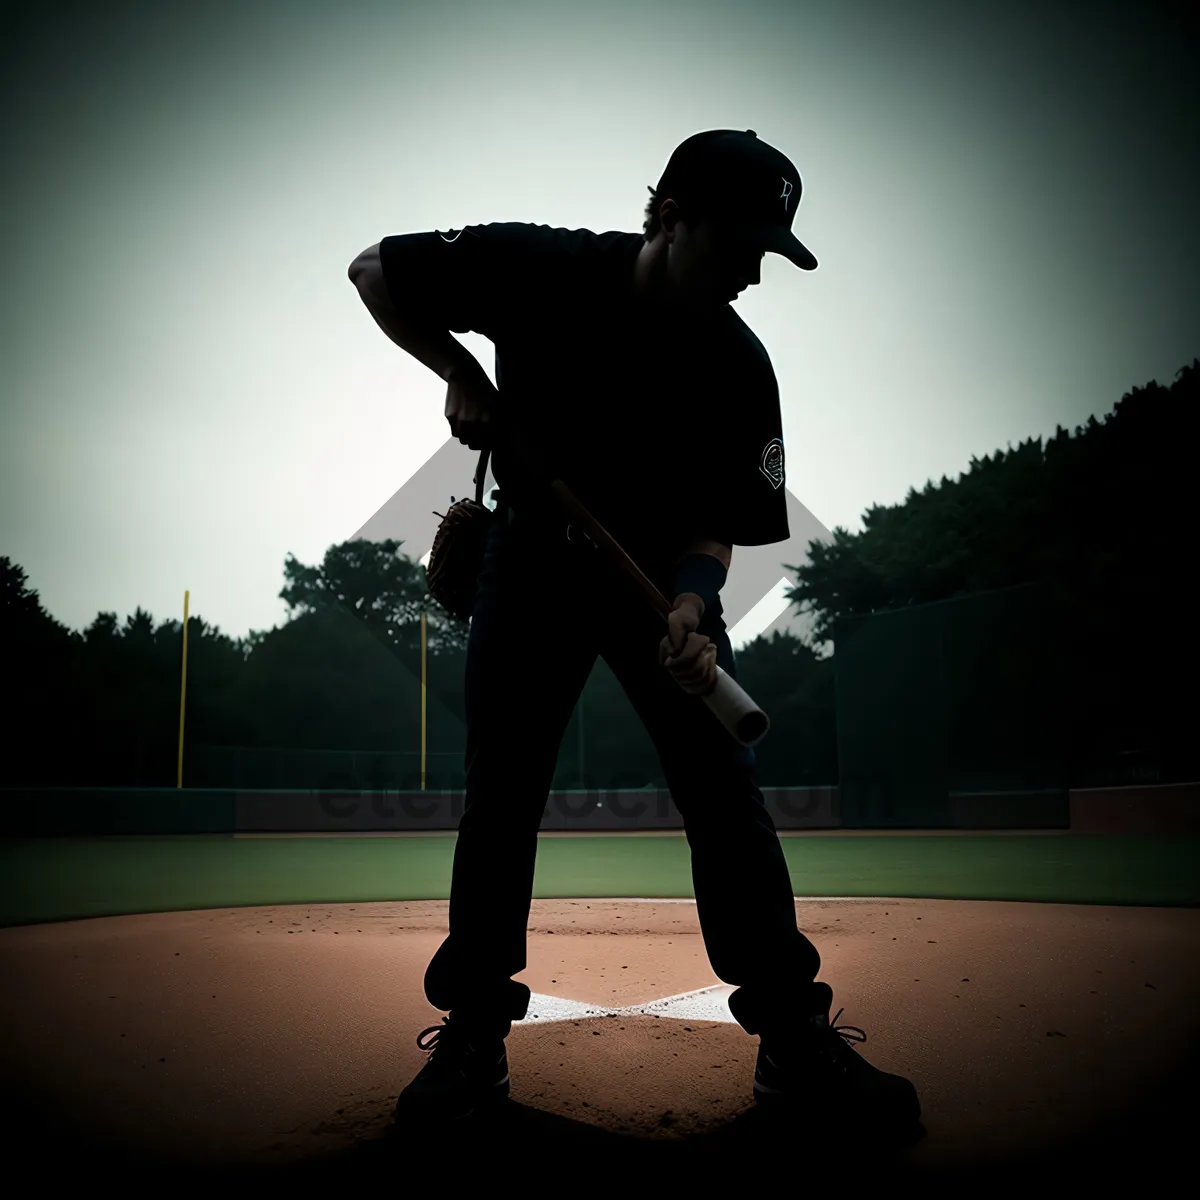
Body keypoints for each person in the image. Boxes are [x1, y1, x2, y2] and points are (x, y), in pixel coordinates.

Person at [348, 130, 920, 1133]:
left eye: (769, 252)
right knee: (504, 791)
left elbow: (718, 527)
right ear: (677, 215)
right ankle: (473, 1040)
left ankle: (792, 1036)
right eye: (744, 243)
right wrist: (460, 374)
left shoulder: (739, 365)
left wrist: (696, 605)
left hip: (659, 585)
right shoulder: (542, 267)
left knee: (724, 796)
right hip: (528, 568)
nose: (753, 272)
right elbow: (375, 270)